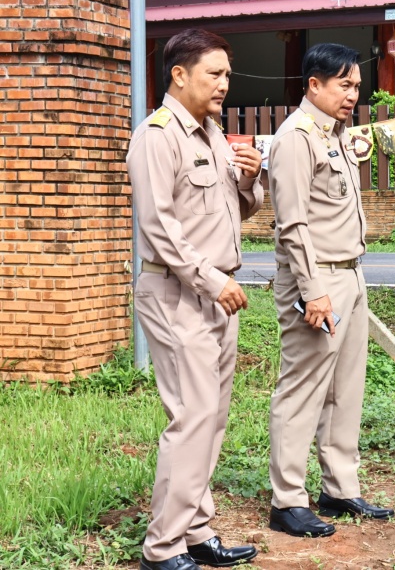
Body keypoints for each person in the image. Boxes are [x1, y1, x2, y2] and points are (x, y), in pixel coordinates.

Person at [127, 29, 263, 570]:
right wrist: (210, 280)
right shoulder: (157, 137)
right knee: (192, 417)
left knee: (212, 418)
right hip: (178, 292)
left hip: (216, 294)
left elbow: (235, 210)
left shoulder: (212, 135)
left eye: (228, 74)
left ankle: (196, 531)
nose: (225, 83)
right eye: (215, 73)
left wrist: (251, 180)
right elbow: (159, 226)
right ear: (179, 75)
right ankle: (162, 548)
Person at [267, 43, 394, 538]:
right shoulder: (296, 138)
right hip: (316, 279)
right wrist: (313, 290)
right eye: (344, 85)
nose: (353, 95)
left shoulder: (336, 136)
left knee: (346, 389)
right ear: (314, 84)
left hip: (350, 274)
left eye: (357, 86)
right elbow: (293, 224)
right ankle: (287, 500)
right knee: (302, 390)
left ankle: (339, 488)